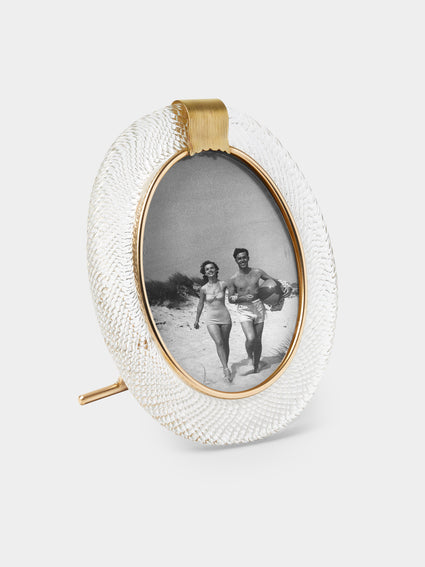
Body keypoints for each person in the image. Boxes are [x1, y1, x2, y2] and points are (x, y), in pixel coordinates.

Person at [228, 248, 291, 374]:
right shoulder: (233, 279)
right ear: (236, 260)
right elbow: (230, 299)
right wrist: (242, 298)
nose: (242, 260)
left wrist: (285, 287)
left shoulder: (257, 272)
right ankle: (249, 358)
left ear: (248, 258)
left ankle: (256, 366)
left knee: (258, 339)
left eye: (244, 257)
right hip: (244, 310)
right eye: (239, 258)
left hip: (258, 307)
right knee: (251, 338)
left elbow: (274, 281)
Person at [194, 261, 233, 381]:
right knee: (219, 342)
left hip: (225, 317)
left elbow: (233, 294)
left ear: (216, 270)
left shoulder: (223, 284)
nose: (210, 270)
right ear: (204, 273)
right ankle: (226, 369)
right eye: (207, 269)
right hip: (211, 319)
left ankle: (225, 364)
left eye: (212, 268)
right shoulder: (203, 289)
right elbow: (200, 304)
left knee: (225, 343)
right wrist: (197, 319)